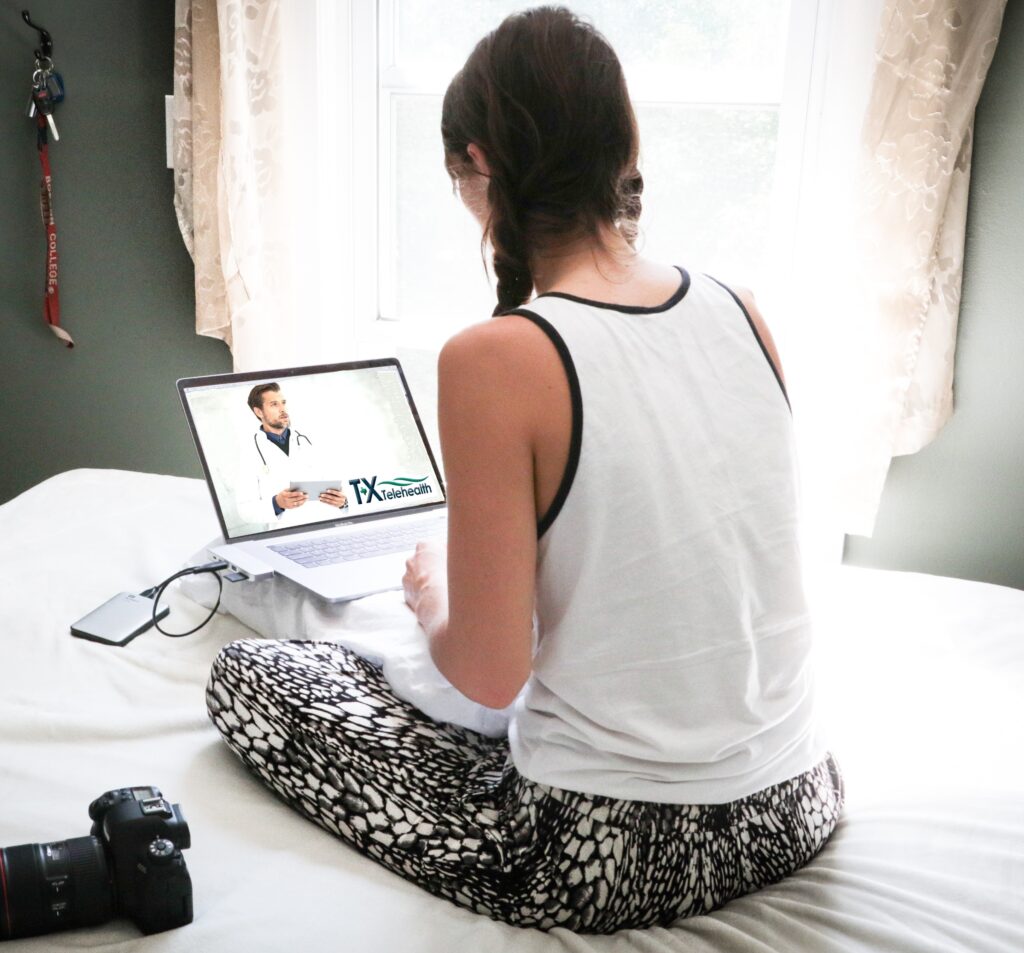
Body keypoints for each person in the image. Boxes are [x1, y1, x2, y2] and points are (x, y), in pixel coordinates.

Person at [206, 6, 843, 933]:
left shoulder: (494, 358)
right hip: (799, 800)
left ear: (478, 168)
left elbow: (489, 674)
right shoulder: (740, 306)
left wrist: (430, 595)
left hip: (613, 849)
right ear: (621, 145)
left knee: (251, 676)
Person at [233, 382, 347, 530]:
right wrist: (277, 503)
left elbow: (345, 483)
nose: (283, 409)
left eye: (283, 403)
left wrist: (344, 502)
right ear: (259, 412)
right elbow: (245, 510)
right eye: (274, 404)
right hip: (287, 533)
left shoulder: (312, 439)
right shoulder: (249, 454)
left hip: (328, 527)